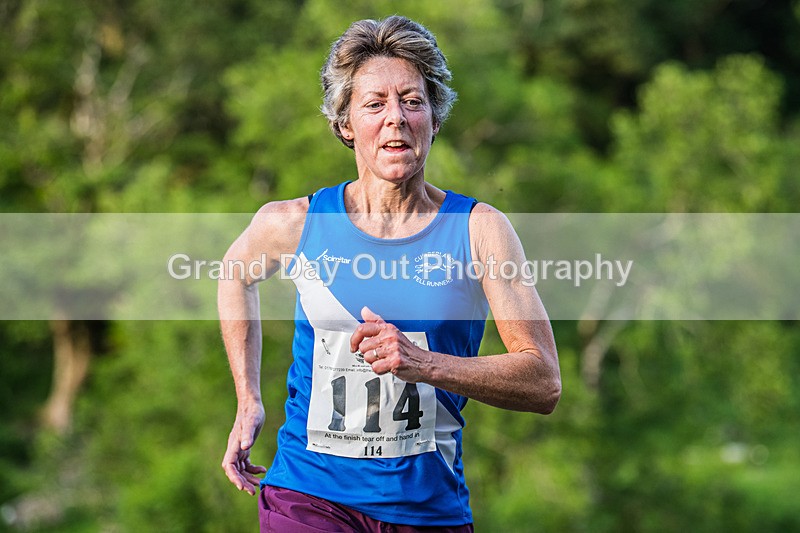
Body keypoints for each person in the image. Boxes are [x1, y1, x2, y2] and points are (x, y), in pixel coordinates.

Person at [218, 15, 561, 532]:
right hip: (309, 494)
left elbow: (543, 381)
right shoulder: (294, 224)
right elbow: (234, 274)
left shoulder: (478, 230)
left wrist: (424, 364)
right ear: (345, 124)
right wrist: (248, 400)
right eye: (375, 104)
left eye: (412, 101)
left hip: (427, 509)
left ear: (435, 119)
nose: (395, 118)